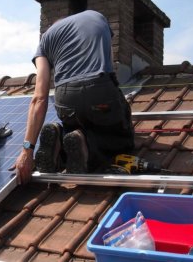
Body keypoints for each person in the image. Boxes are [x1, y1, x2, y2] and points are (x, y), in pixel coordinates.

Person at [13, 10, 134, 184]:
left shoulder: (45, 39)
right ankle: (87, 147)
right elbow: (110, 68)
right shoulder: (97, 16)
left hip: (65, 99)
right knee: (122, 137)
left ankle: (60, 138)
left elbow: (39, 97)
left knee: (76, 125)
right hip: (99, 90)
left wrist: (27, 150)